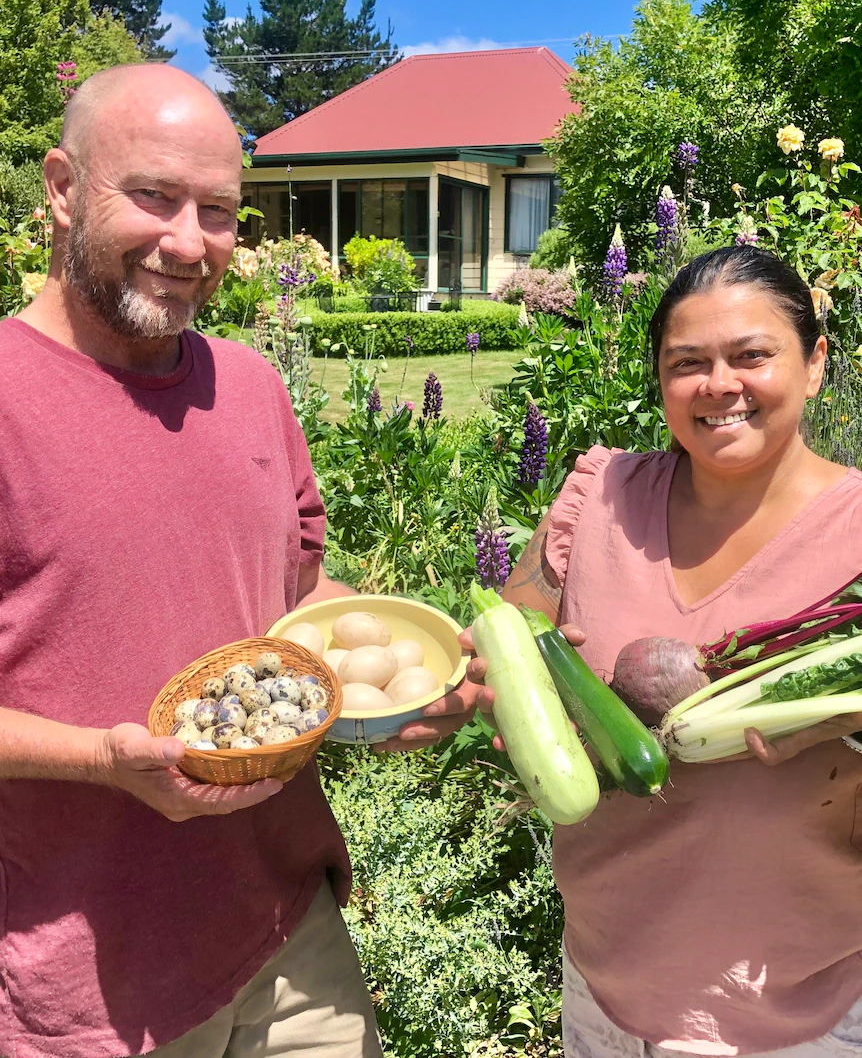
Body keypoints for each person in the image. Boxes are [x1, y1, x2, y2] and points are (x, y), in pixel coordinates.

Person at [388, 246, 862, 1058]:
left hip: (797, 1010)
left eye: (752, 355)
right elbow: (500, 647)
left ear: (816, 363)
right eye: (687, 363)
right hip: (604, 981)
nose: (720, 384)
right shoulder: (601, 494)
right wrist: (474, 692)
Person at [0, 64, 382, 1058]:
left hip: (284, 926)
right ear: (60, 188)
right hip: (80, 985)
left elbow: (293, 593)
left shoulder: (249, 386)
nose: (189, 242)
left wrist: (398, 671)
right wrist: (107, 762)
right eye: (155, 197)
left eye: (219, 210)